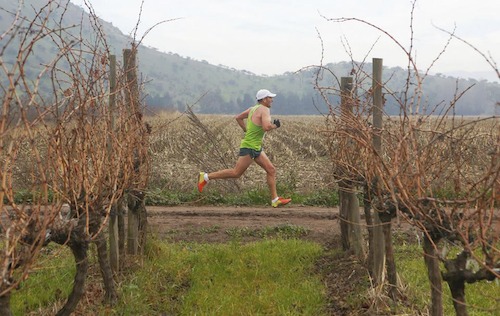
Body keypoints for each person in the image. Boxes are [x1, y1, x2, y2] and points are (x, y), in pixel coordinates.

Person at [197, 89, 291, 208]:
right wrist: (275, 126)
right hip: (249, 147)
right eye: (270, 97)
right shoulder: (264, 109)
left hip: (256, 147)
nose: (272, 100)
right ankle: (205, 177)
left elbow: (238, 117)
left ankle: (275, 200)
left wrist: (246, 130)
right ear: (263, 99)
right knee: (236, 173)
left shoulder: (252, 109)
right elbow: (266, 127)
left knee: (271, 170)